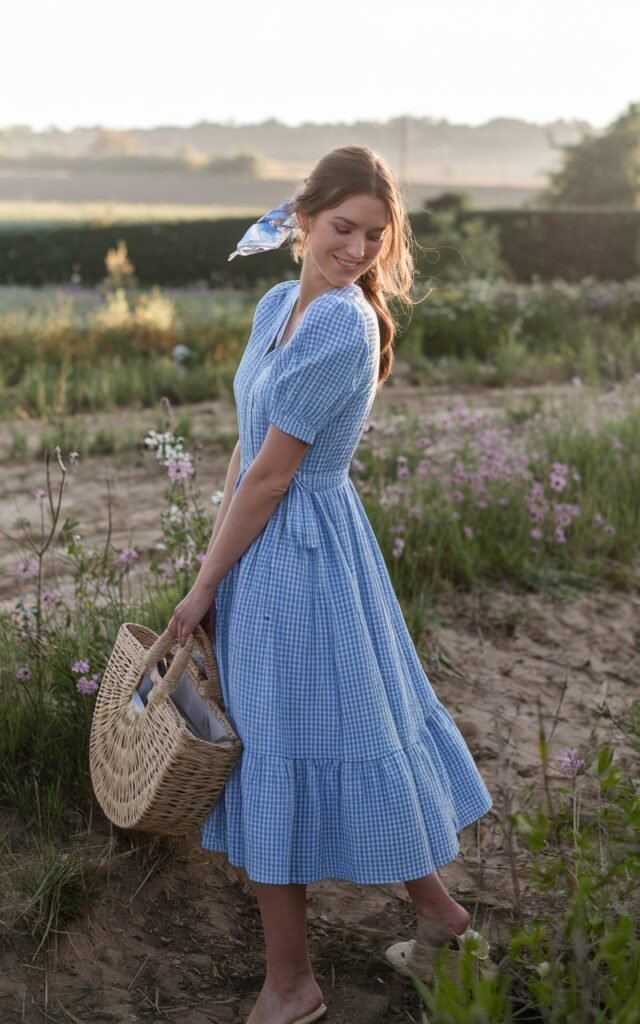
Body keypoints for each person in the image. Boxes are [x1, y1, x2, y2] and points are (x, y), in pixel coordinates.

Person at [168, 146, 493, 1024]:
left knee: (282, 750)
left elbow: (275, 479)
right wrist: (209, 568)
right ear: (303, 218)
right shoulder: (278, 304)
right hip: (264, 551)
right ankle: (441, 918)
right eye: (342, 227)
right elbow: (245, 447)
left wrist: (203, 591)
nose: (354, 249)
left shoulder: (343, 327)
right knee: (328, 731)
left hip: (302, 557)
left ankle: (293, 988)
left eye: (373, 237)